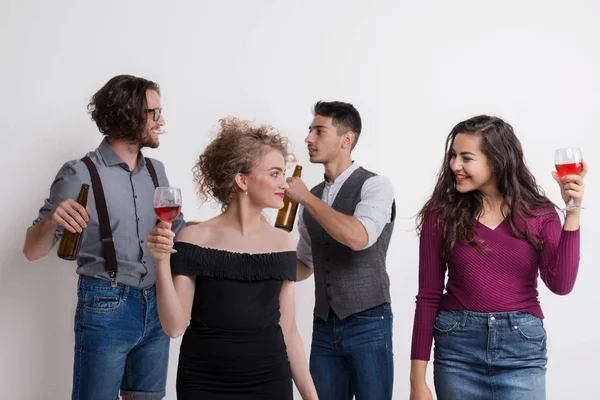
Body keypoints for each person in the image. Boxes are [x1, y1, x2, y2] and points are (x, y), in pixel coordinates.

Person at [23, 74, 185, 400]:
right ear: (128, 114)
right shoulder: (79, 173)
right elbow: (32, 251)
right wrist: (53, 219)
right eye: (154, 113)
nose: (162, 121)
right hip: (106, 305)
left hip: (157, 307)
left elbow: (178, 231)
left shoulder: (158, 172)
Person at [409, 115, 586, 400]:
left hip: (521, 353)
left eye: (466, 157)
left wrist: (573, 211)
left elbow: (561, 284)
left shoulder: (539, 213)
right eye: (453, 156)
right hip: (457, 353)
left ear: (497, 160)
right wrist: (417, 381)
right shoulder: (441, 213)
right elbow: (428, 297)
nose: (455, 165)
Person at [146, 117, 318, 400]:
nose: (284, 183)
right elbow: (174, 326)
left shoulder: (283, 242)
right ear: (242, 180)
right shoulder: (194, 238)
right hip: (202, 381)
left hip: (269, 380)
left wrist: (312, 398)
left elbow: (288, 330)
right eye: (275, 173)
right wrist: (161, 262)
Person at [286, 101, 396, 399]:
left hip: (369, 322)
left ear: (347, 139)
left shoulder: (375, 186)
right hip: (323, 325)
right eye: (310, 130)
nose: (309, 138)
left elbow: (358, 237)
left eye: (319, 131)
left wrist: (306, 199)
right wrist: (259, 254)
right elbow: (305, 264)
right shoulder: (314, 197)